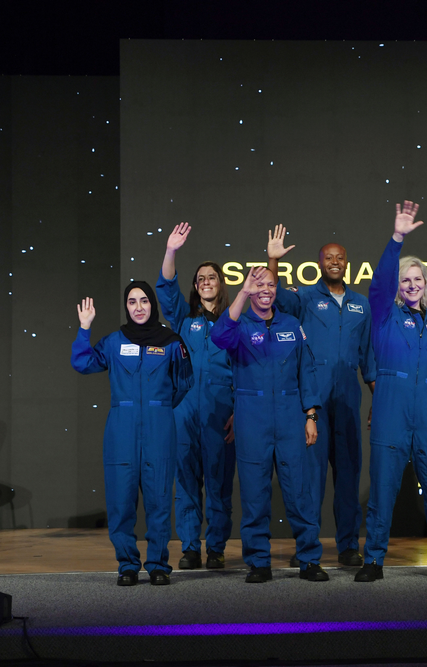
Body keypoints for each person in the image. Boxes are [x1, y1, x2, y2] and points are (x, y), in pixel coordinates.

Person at [355, 200, 427, 583]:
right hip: (391, 409)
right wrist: (397, 239)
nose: (411, 285)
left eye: (417, 280)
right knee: (383, 493)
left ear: (426, 285)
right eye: (405, 280)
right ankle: (373, 560)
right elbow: (380, 283)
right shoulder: (384, 315)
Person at [266, 226, 376, 568]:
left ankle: (347, 546)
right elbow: (273, 295)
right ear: (319, 263)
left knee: (348, 476)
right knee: (309, 480)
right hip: (312, 401)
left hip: (347, 402)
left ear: (348, 264)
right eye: (328, 257)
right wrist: (273, 259)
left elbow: (369, 358)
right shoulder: (304, 298)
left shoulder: (361, 305)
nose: (335, 262)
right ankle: (307, 549)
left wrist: (378, 400)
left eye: (340, 258)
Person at [210, 266, 328, 583]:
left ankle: (309, 559)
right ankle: (259, 562)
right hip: (252, 416)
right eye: (259, 285)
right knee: (254, 495)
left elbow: (307, 371)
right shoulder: (239, 325)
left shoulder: (292, 324)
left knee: (300, 493)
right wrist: (243, 292)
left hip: (291, 416)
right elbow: (218, 336)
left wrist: (311, 415)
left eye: (271, 285)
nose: (266, 290)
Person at [71, 284, 193, 586]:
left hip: (159, 429)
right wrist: (84, 328)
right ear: (126, 306)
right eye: (132, 302)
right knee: (120, 502)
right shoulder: (113, 342)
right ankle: (127, 564)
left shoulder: (171, 342)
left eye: (143, 301)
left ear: (152, 304)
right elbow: (83, 363)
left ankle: (158, 565)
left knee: (159, 501)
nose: (138, 307)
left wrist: (160, 407)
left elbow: (185, 382)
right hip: (121, 432)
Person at [156, 222, 236, 571]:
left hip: (222, 413)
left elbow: (245, 372)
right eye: (200, 278)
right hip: (185, 411)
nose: (205, 281)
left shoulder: (233, 324)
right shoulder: (183, 320)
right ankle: (190, 547)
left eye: (212, 277)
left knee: (218, 483)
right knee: (186, 480)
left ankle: (215, 547)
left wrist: (240, 412)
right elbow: (167, 288)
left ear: (221, 284)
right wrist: (171, 250)